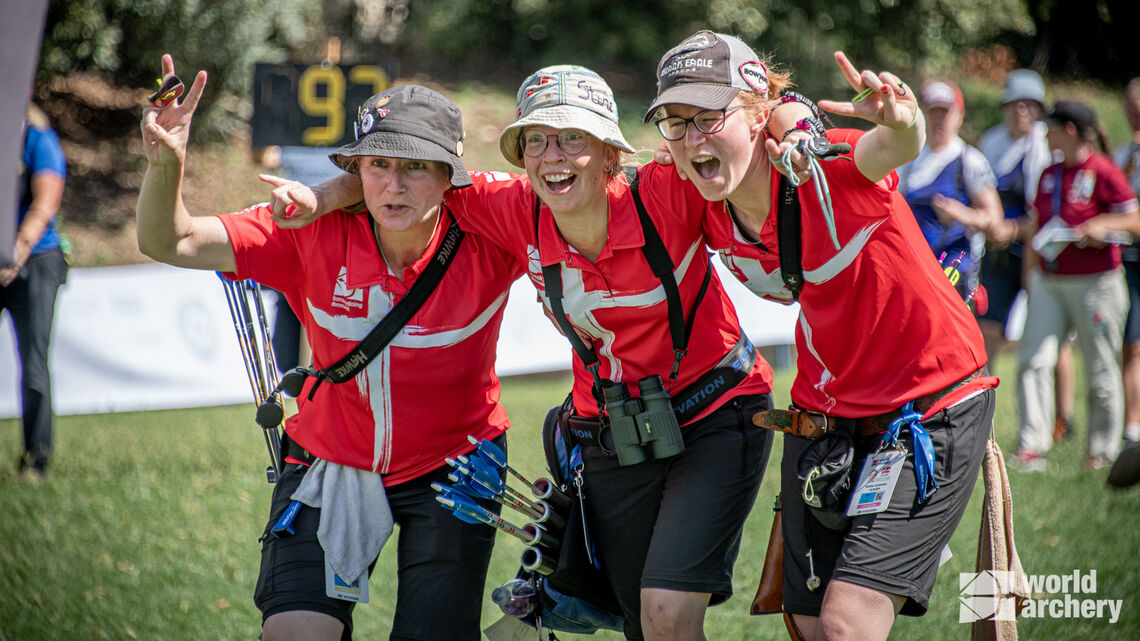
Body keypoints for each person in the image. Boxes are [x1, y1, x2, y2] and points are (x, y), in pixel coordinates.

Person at [283, 64, 789, 641]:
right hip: (610, 432)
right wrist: (320, 196)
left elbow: (751, 131)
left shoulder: (666, 189)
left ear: (609, 152)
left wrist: (799, 124)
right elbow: (404, 171)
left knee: (668, 615)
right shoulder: (509, 206)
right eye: (537, 140)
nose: (553, 156)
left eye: (573, 137)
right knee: (641, 622)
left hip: (716, 412)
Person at [136, 56, 525, 641]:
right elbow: (172, 239)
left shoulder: (491, 233)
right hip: (330, 457)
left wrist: (329, 190)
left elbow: (565, 203)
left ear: (450, 173)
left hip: (456, 462)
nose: (394, 185)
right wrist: (167, 164)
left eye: (417, 167)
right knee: (294, 633)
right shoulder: (308, 229)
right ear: (356, 168)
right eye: (378, 165)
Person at [646, 31, 997, 641]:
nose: (693, 138)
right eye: (676, 122)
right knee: (809, 625)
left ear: (758, 114)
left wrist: (905, 119)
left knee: (844, 625)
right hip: (823, 414)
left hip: (930, 401)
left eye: (709, 117)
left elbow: (891, 146)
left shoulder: (822, 164)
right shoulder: (700, 195)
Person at [1016, 100, 1140, 472]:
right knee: (1033, 360)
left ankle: (1101, 452)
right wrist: (1030, 274)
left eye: (1050, 127)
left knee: (1100, 366)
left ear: (1069, 130)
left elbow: (1134, 220)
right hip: (1050, 280)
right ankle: (1031, 447)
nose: (1044, 134)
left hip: (1096, 282)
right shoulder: (1048, 173)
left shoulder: (1104, 170)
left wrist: (1103, 224)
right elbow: (1036, 226)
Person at [977, 69, 1077, 441]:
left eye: (1029, 104)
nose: (1021, 110)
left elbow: (1046, 209)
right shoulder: (991, 142)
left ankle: (1063, 419)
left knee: (1051, 334)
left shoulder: (1043, 145)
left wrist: (1014, 230)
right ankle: (980, 414)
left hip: (1039, 251)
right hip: (997, 251)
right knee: (987, 331)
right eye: (1015, 103)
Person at [6, 101, 68, 481]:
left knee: (33, 365)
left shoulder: (38, 139)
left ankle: (36, 461)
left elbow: (46, 202)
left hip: (36, 262)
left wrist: (17, 249)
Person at [897, 77, 1002, 299]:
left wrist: (961, 214)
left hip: (955, 276)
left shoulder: (970, 161)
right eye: (933, 113)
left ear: (959, 116)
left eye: (945, 113)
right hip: (914, 270)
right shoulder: (909, 159)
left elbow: (995, 221)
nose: (939, 121)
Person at [1114, 77, 1140, 444]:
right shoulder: (1122, 154)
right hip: (1127, 258)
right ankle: (1132, 425)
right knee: (1131, 343)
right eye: (1131, 110)